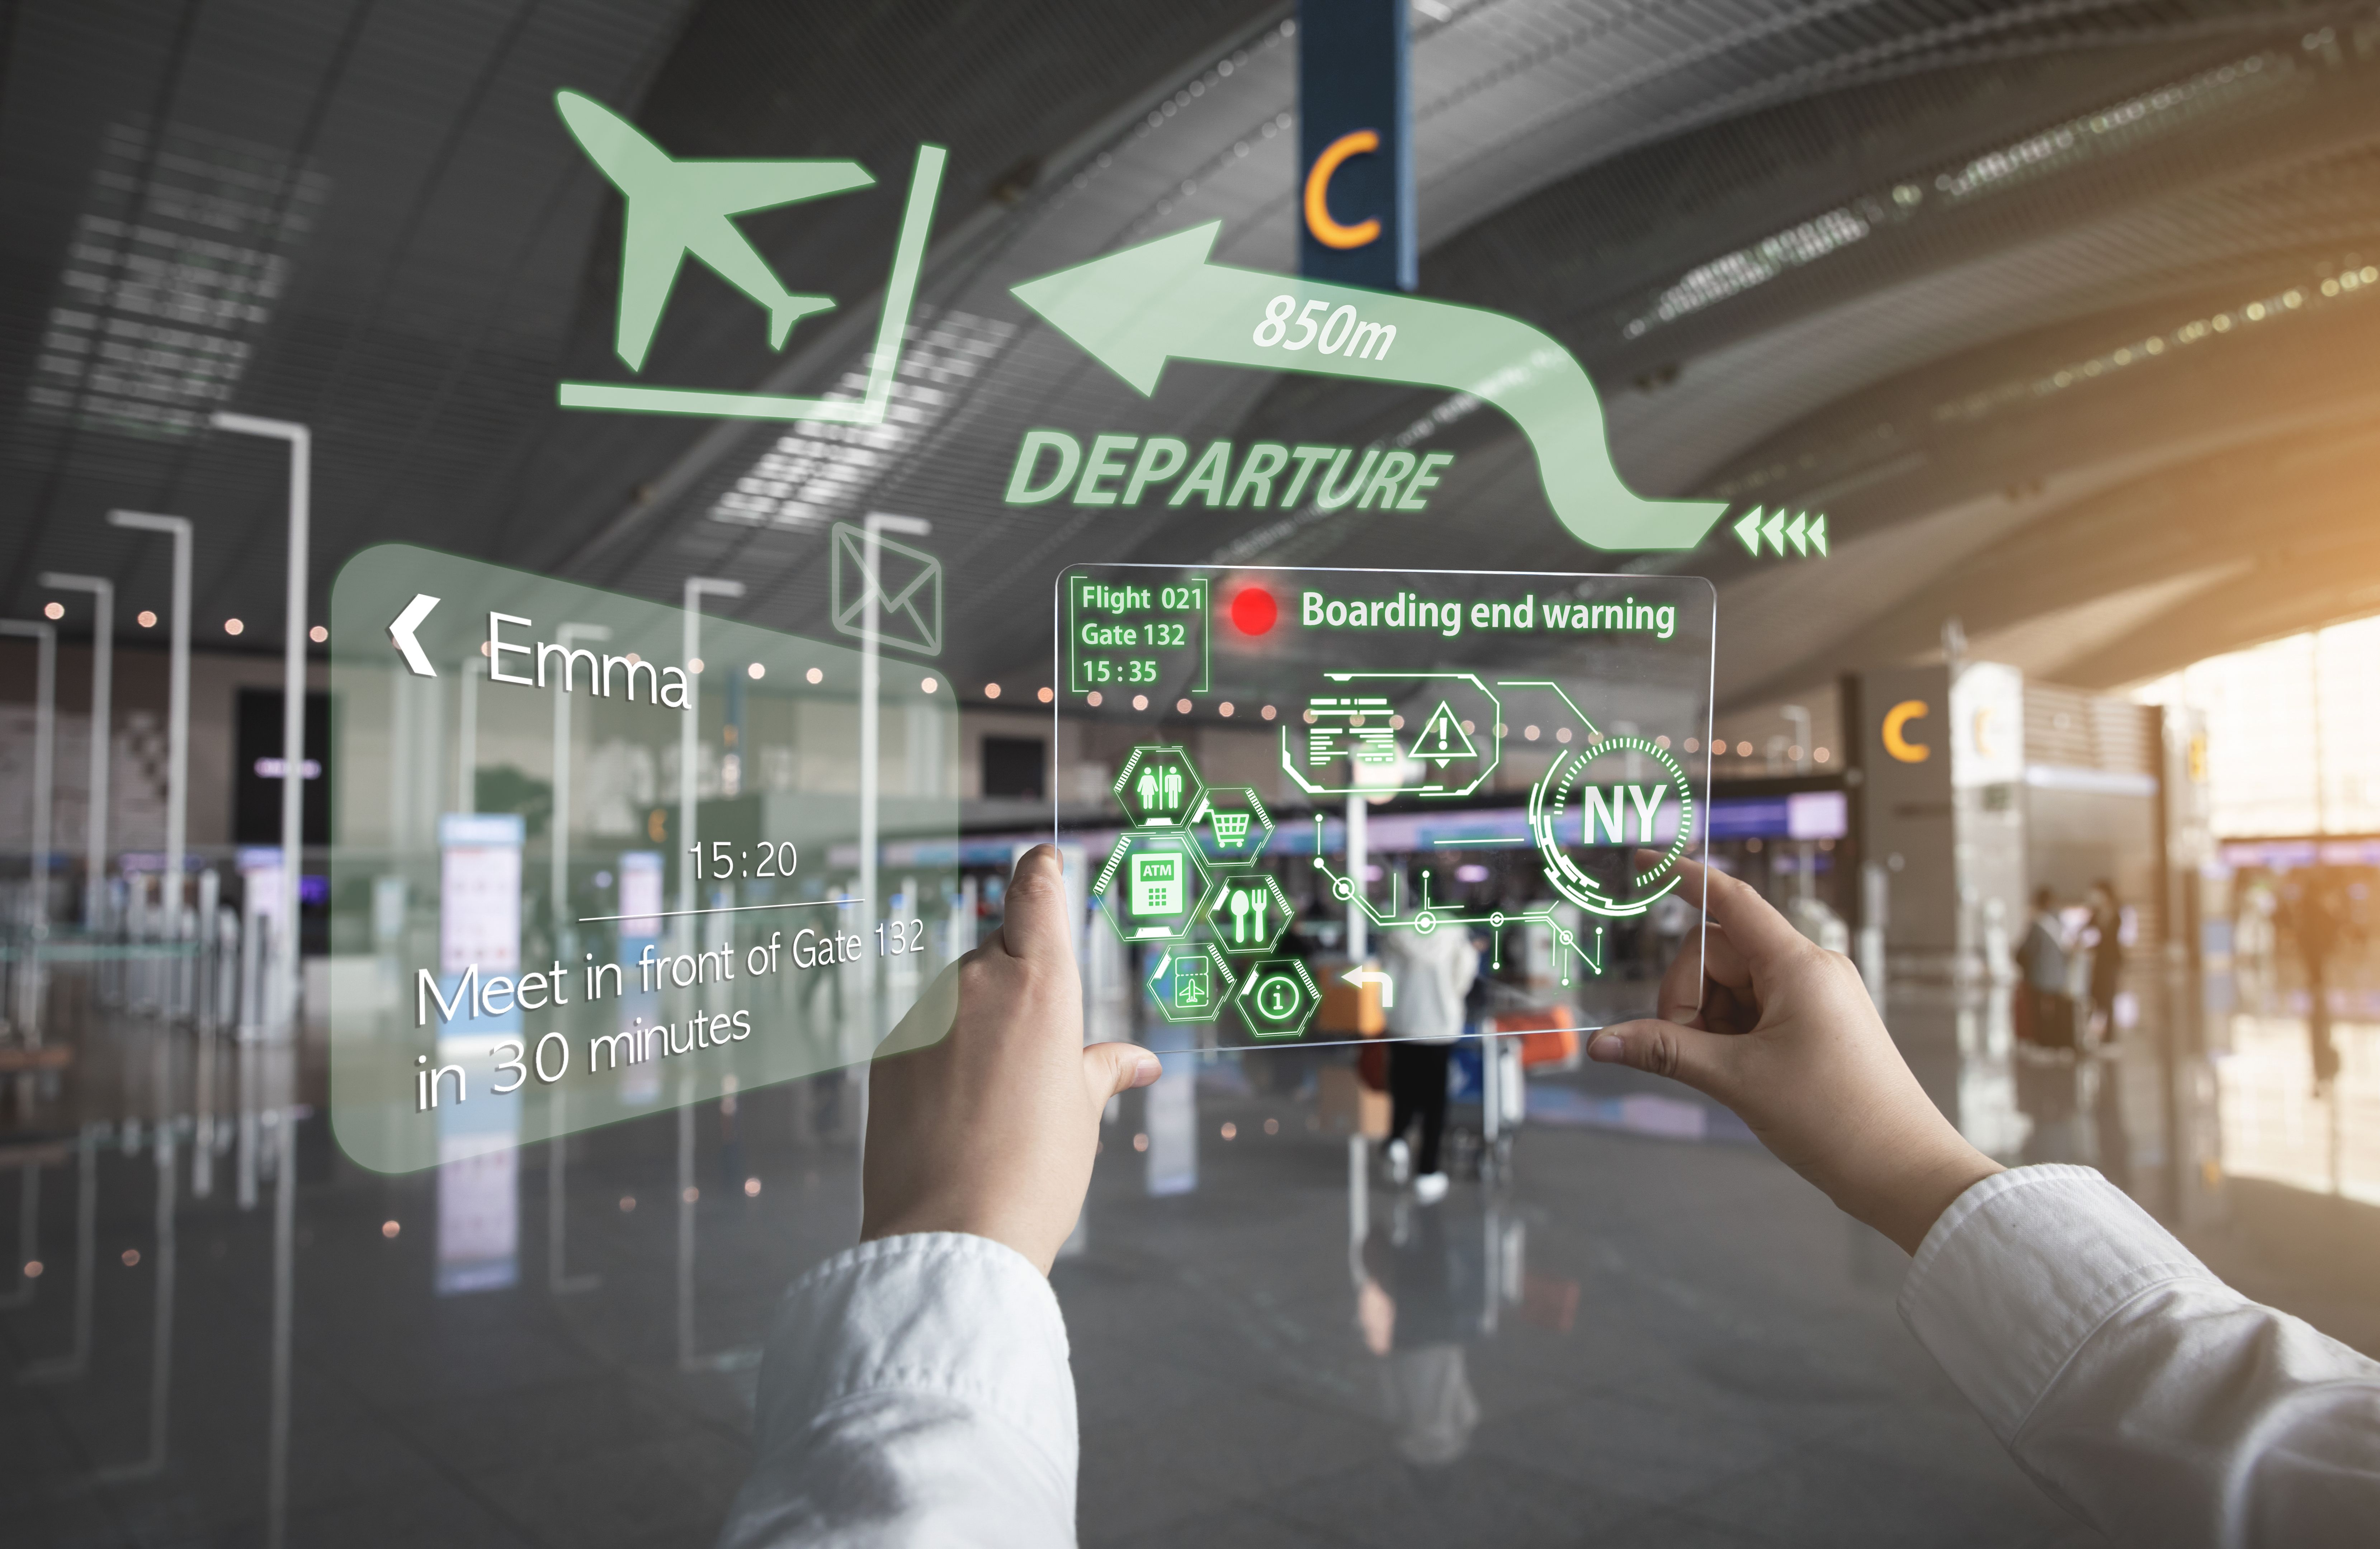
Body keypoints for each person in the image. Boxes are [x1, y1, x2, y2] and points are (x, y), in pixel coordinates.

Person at [717, 846, 2380, 1547]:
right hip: (1453, 1065)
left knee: (1433, 1139)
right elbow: (2304, 1461)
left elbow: (2285, 1446)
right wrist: (1916, 1163)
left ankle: (1439, 1167)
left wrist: (951, 1251)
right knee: (1438, 1135)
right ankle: (1442, 1165)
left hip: (1437, 1068)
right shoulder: (1436, 935)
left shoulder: (1421, 936)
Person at [1375, 897, 1480, 1203]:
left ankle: (1397, 1139)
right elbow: (1465, 974)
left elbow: (1386, 978)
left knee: (1402, 1088)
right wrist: (1450, 997)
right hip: (1441, 1026)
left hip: (1403, 1024)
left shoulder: (1397, 933)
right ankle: (1428, 1171)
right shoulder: (1453, 932)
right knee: (1435, 1100)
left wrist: (1390, 1011)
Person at [2016, 884, 2074, 1050]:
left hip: (2039, 977)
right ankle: (2058, 1042)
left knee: (2039, 1013)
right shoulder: (2061, 922)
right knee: (2057, 1011)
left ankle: (2043, 1043)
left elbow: (2026, 951)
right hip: (2059, 976)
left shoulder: (2038, 924)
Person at [2086, 879, 2124, 1044]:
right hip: (2098, 963)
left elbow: (2110, 941)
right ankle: (2097, 1034)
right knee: (2097, 997)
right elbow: (2085, 932)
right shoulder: (2095, 914)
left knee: (2108, 999)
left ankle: (2109, 1038)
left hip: (2111, 963)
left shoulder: (2115, 914)